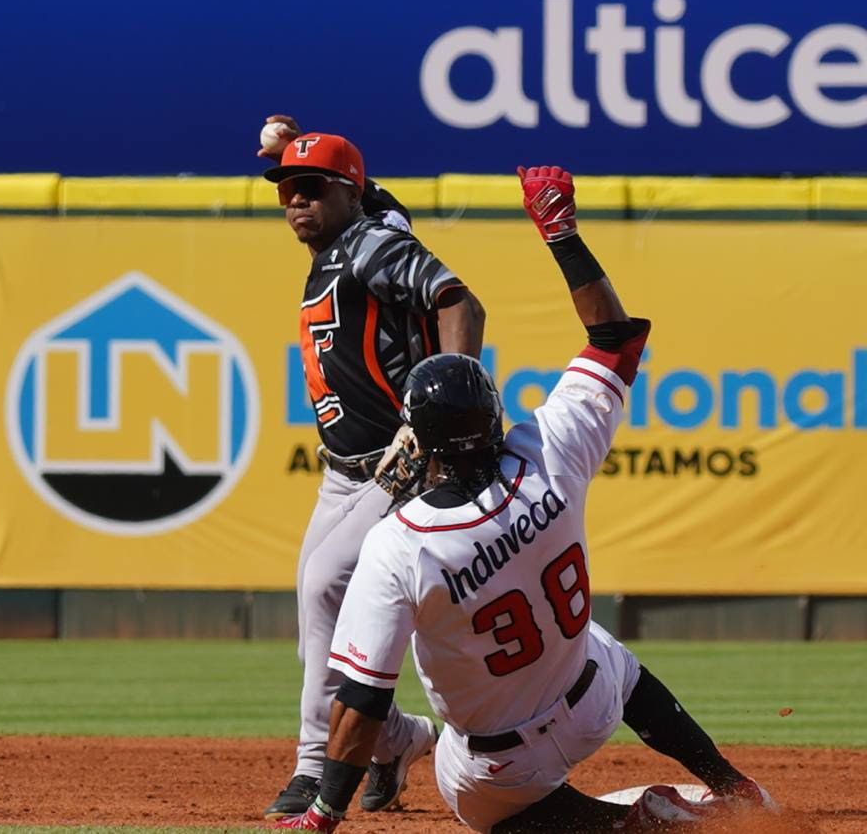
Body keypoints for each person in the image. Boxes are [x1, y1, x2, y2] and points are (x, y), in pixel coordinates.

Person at [272, 166, 778, 832]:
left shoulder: (399, 543)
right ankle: (733, 784)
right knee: (606, 653)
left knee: (475, 800)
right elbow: (614, 338)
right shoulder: (550, 446)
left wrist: (323, 812)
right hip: (593, 698)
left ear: (419, 443)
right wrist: (561, 233)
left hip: (499, 764)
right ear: (492, 409)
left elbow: (365, 697)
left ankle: (627, 822)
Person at [257, 116, 487, 819]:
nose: (296, 200)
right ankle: (397, 739)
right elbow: (372, 195)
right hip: (341, 471)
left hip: (399, 459)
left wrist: (445, 405)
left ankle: (313, 765)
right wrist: (297, 148)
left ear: (348, 192)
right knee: (315, 610)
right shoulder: (360, 225)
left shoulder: (370, 245)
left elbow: (459, 300)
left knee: (325, 585)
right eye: (287, 190)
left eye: (312, 188)